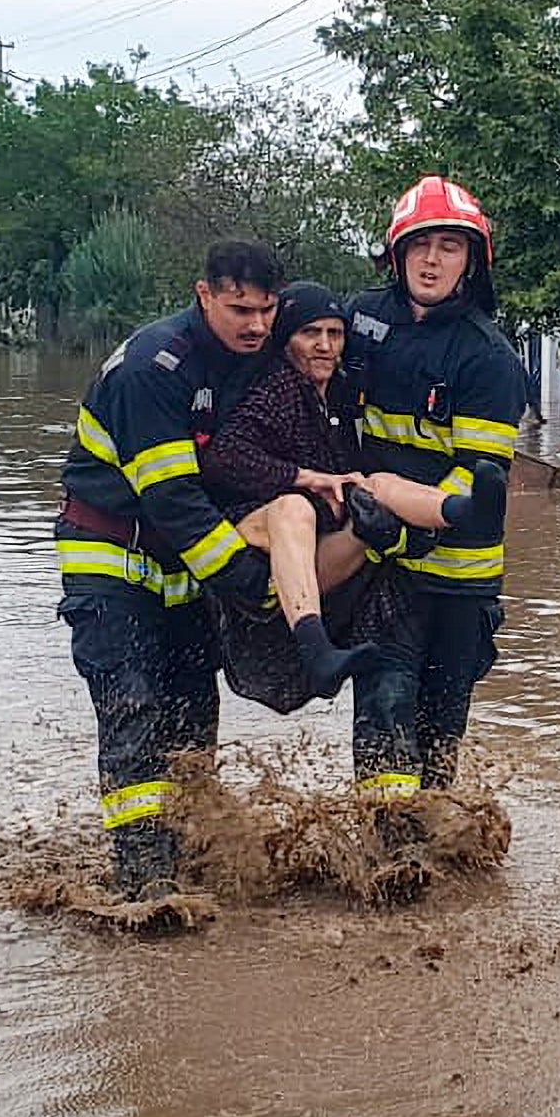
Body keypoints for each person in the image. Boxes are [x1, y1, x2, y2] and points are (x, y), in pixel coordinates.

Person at [56, 240, 283, 904]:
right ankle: (145, 883)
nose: (257, 325)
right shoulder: (154, 368)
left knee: (192, 713)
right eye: (241, 308)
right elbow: (174, 500)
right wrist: (250, 582)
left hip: (183, 569)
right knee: (132, 707)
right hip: (112, 559)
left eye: (267, 311)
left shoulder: (252, 361)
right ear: (203, 294)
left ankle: (192, 852)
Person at [342, 176, 528, 897]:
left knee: (438, 732)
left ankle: (435, 840)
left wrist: (405, 519)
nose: (432, 260)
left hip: (460, 580)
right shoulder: (357, 321)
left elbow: (477, 489)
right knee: (384, 708)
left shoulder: (488, 360)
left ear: (471, 261)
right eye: (420, 244)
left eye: (449, 246)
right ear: (396, 255)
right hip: (382, 570)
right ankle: (392, 867)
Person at [200, 281, 507, 710]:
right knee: (294, 510)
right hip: (259, 542)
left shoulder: (343, 395)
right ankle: (316, 649)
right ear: (286, 340)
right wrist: (302, 477)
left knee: (378, 485)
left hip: (320, 548)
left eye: (335, 334)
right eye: (310, 334)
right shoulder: (275, 391)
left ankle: (463, 511)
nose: (325, 346)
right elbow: (223, 458)